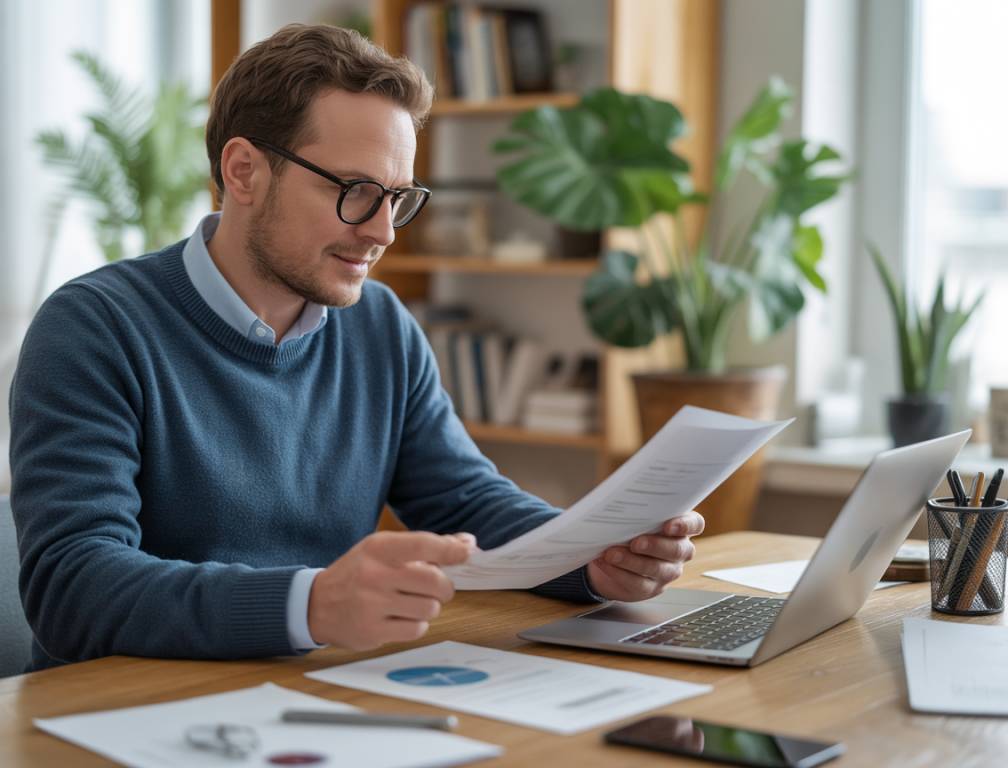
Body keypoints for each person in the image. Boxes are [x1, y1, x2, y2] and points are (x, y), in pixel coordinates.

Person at [8, 24, 704, 671]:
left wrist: (590, 557)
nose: (383, 232)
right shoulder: (94, 328)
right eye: (356, 191)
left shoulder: (379, 324)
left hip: (316, 690)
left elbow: (464, 500)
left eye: (397, 198)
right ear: (244, 171)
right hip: (126, 713)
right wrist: (310, 605)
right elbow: (72, 586)